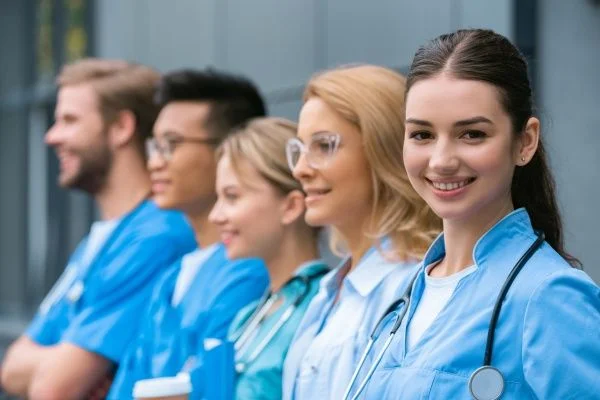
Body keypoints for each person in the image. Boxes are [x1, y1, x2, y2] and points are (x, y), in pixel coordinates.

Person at [359, 29, 600, 399]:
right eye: (422, 135)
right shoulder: (403, 298)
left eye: (471, 134)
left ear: (525, 141)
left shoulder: (548, 296)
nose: (441, 161)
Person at [0, 59, 196, 400]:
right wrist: (62, 365)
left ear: (121, 127)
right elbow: (12, 369)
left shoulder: (156, 236)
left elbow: (52, 389)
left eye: (69, 120)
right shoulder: (100, 240)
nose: (51, 136)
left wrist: (59, 368)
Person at [107, 69, 270, 399]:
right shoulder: (171, 280)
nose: (154, 162)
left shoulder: (249, 273)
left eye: (171, 145)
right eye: (155, 146)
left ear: (230, 150)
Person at [281, 65, 441, 400]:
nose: (300, 169)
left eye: (324, 145)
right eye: (298, 149)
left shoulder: (418, 287)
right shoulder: (331, 290)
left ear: (384, 151)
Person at [207, 117, 330, 399]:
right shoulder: (246, 318)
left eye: (232, 196)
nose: (216, 216)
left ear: (290, 207)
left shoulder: (322, 311)